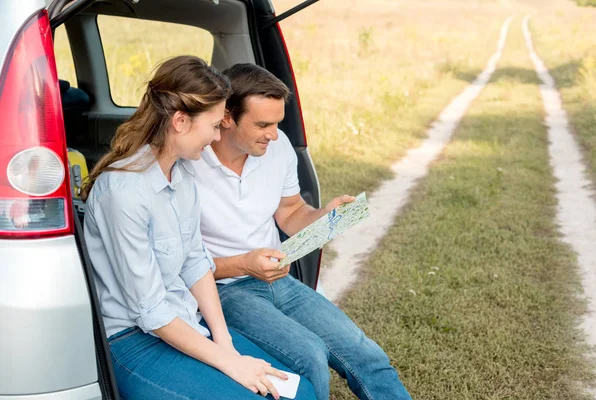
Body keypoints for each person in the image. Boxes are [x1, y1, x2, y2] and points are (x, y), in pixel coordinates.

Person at [81, 56, 316, 400]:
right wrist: (228, 362)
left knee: (301, 392)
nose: (220, 134)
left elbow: (195, 261)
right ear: (180, 121)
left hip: (186, 324)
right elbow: (152, 312)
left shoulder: (183, 172)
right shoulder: (123, 192)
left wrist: (225, 342)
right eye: (214, 124)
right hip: (135, 341)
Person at [192, 63, 412, 400]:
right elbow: (183, 264)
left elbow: (291, 212)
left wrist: (326, 216)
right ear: (226, 117)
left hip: (278, 279)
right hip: (223, 289)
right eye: (262, 124)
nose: (274, 134)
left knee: (367, 355)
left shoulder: (276, 148)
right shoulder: (188, 164)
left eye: (278, 123)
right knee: (309, 355)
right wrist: (245, 264)